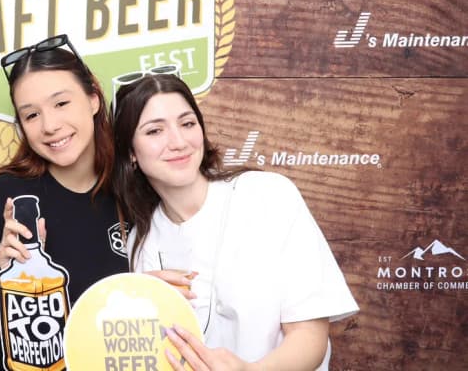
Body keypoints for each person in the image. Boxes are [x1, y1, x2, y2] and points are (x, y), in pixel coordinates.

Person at [111, 72, 358, 371]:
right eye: (154, 131)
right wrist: (142, 308)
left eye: (188, 124)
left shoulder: (268, 195)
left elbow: (310, 337)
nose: (178, 142)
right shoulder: (141, 243)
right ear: (130, 153)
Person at [0, 34, 129, 369]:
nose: (50, 126)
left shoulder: (132, 193)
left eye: (61, 104)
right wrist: (16, 278)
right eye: (31, 115)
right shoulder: (4, 203)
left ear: (93, 99)